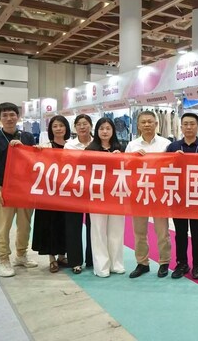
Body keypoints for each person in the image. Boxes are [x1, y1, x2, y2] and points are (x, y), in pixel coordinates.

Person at [0, 102, 37, 277]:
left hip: (24, 188)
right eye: (5, 115)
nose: (9, 118)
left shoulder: (27, 137)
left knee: (25, 225)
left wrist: (34, 150)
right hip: (3, 188)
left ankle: (21, 255)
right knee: (3, 226)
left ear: (18, 116)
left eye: (12, 114)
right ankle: (3, 259)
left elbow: (33, 160)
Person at [166, 113, 198, 280]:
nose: (188, 127)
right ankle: (182, 263)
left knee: (197, 232)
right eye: (185, 124)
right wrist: (174, 160)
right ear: (181, 127)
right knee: (180, 233)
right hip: (178, 196)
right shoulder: (173, 147)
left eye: (192, 124)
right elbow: (165, 170)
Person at [126, 111, 172, 279]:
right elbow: (125, 167)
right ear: (138, 125)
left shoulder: (166, 144)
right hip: (138, 192)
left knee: (162, 231)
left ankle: (164, 262)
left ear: (156, 124)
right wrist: (134, 159)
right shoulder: (132, 145)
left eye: (150, 122)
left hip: (159, 193)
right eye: (143, 122)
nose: (146, 125)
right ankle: (142, 263)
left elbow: (172, 167)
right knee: (139, 231)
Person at [85, 117, 125, 277]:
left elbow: (128, 169)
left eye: (108, 128)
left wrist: (121, 158)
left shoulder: (120, 148)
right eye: (102, 128)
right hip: (97, 195)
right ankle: (101, 266)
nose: (105, 131)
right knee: (98, 230)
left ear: (113, 131)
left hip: (116, 194)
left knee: (116, 230)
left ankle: (116, 263)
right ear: (97, 131)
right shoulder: (90, 150)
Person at [32, 115, 71, 273]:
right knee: (49, 224)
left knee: (64, 223)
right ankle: (51, 258)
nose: (58, 129)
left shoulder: (71, 146)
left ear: (66, 128)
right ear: (50, 129)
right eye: (55, 126)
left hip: (67, 194)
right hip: (48, 194)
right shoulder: (44, 147)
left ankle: (62, 255)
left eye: (61, 125)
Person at [64, 114, 94, 274]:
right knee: (73, 226)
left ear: (91, 126)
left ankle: (92, 259)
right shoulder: (69, 146)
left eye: (85, 123)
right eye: (79, 124)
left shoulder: (97, 144)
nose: (82, 127)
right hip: (74, 190)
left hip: (93, 191)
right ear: (75, 127)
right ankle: (75, 261)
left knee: (93, 225)